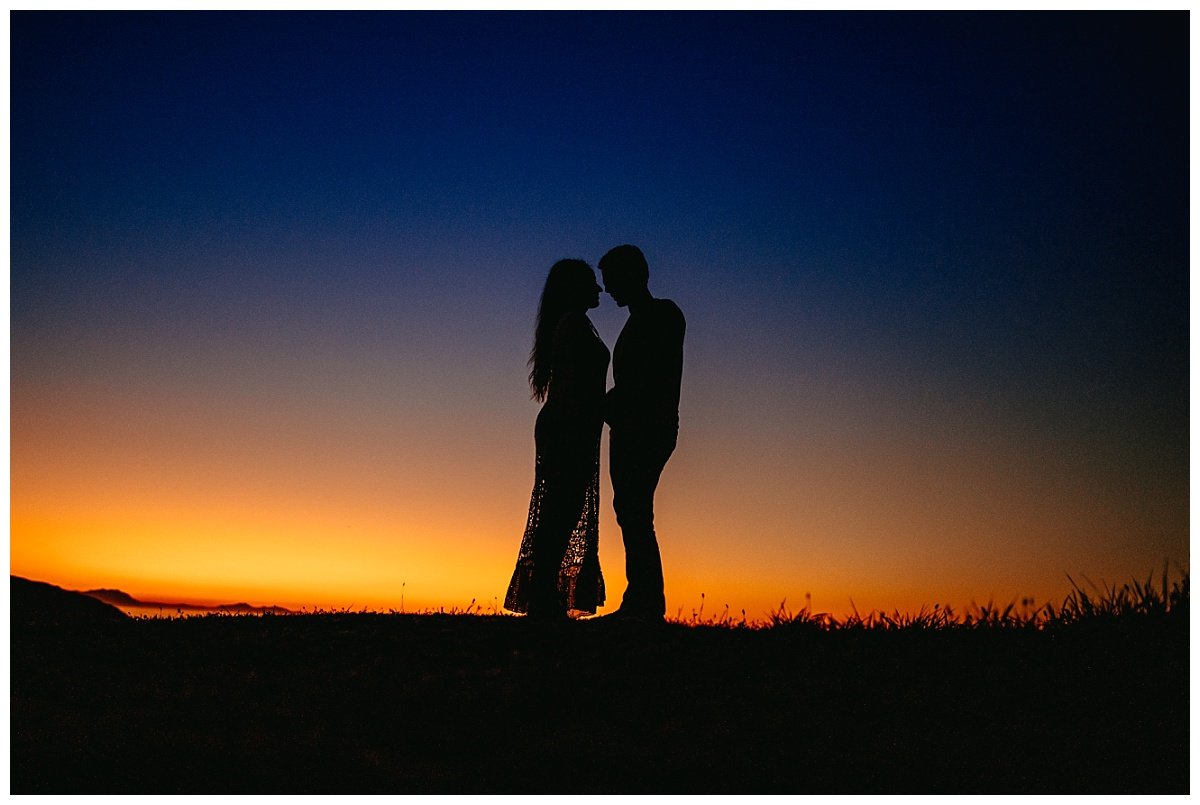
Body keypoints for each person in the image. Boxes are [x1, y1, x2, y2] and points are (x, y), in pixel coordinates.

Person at [505, 259, 609, 619]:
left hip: (572, 424)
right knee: (560, 509)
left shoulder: (576, 324)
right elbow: (575, 386)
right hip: (568, 424)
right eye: (591, 284)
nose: (599, 291)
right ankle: (543, 597)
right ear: (574, 289)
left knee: (562, 508)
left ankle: (545, 595)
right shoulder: (572, 325)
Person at [599, 245, 685, 620]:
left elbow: (647, 379)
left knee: (634, 510)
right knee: (630, 510)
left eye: (612, 281)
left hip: (648, 427)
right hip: (630, 427)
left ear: (635, 275)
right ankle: (642, 599)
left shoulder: (663, 314)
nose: (607, 290)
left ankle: (645, 603)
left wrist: (600, 404)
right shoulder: (638, 321)